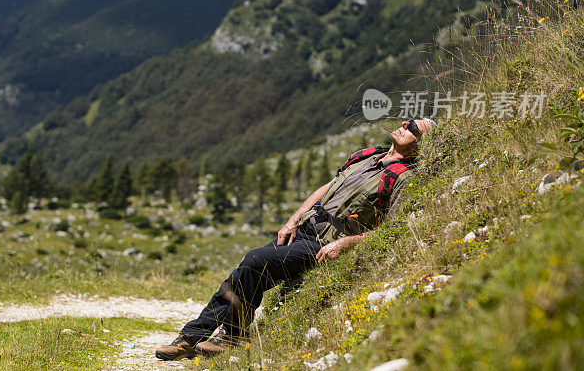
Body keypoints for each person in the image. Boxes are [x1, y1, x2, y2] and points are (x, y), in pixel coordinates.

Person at [155, 118, 434, 361]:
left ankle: (233, 337)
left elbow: (392, 229)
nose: (403, 126)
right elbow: (326, 188)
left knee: (254, 261)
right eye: (406, 122)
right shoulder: (367, 156)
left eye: (412, 128)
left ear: (421, 144)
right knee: (242, 274)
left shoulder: (404, 179)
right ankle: (191, 338)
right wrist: (293, 219)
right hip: (303, 228)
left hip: (324, 244)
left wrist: (346, 244)